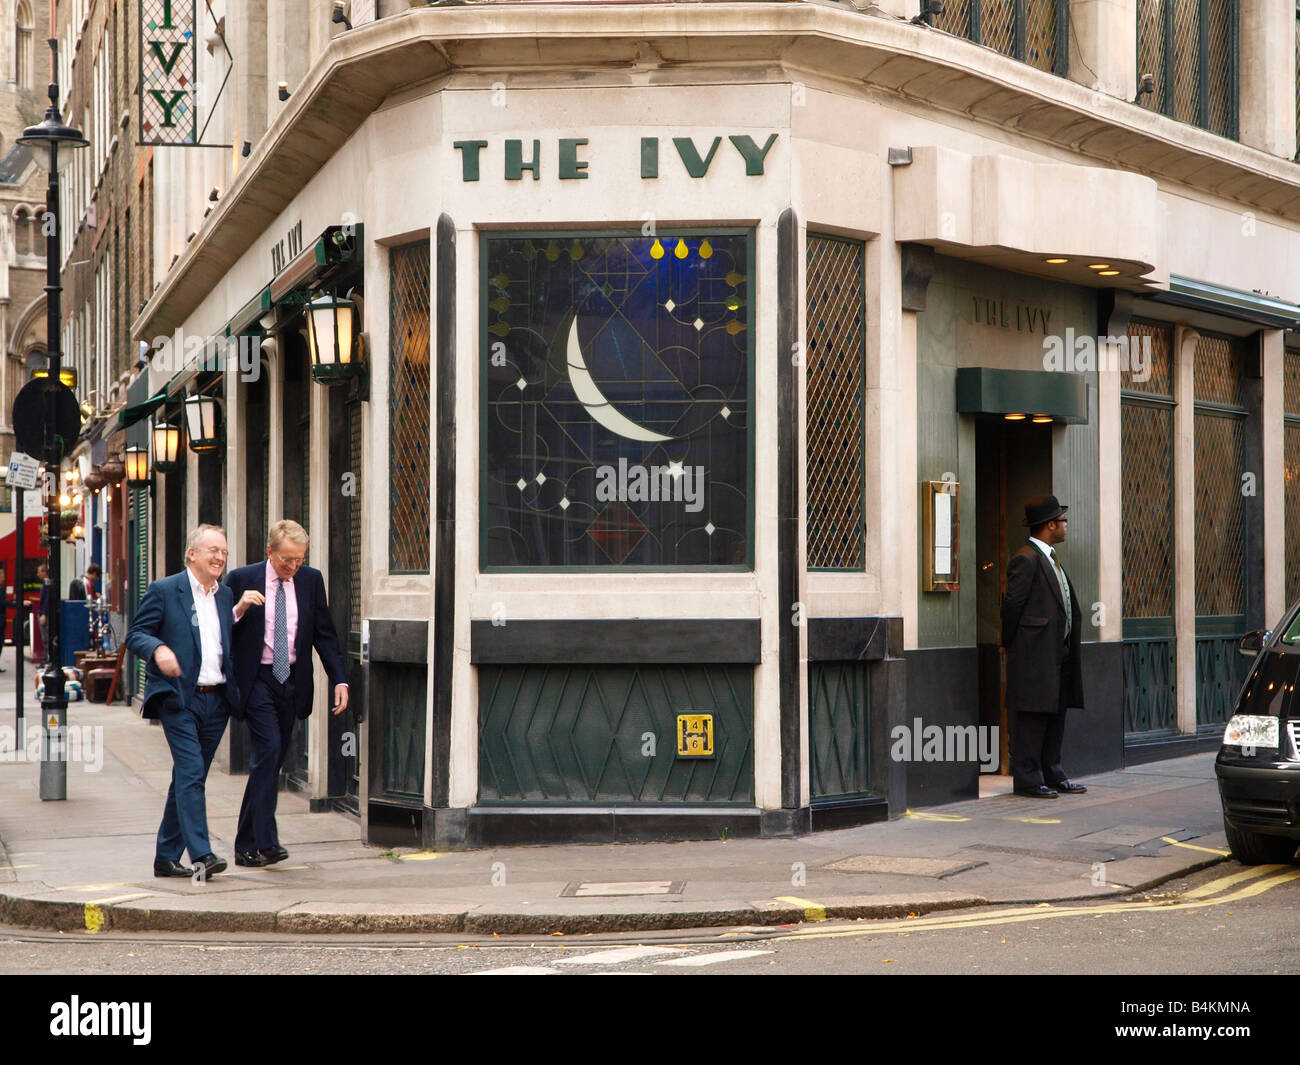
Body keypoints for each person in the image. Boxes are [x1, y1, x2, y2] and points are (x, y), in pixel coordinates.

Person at [225, 519, 348, 867]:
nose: (292, 567)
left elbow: (325, 634)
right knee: (269, 749)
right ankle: (263, 841)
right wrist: (239, 609)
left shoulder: (311, 581)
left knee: (272, 761)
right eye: (285, 560)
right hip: (257, 679)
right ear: (269, 552)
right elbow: (219, 627)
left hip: (292, 680)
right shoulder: (241, 579)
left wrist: (340, 679)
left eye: (299, 559)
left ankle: (250, 842)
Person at [125, 525, 240, 879]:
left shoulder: (225, 595)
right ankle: (202, 855)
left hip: (216, 700)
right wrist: (158, 649)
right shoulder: (165, 590)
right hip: (179, 699)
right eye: (212, 551)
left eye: (223, 551)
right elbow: (136, 634)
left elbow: (221, 644)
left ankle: (165, 856)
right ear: (192, 554)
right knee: (191, 774)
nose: (219, 557)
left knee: (189, 778)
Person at [1000, 495, 1087, 799]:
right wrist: (1012, 645)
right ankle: (1028, 779)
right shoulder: (1025, 558)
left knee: (1055, 715)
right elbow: (1012, 606)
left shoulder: (1051, 558)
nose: (1066, 526)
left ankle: (1052, 771)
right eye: (1063, 521)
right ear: (1050, 525)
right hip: (1034, 655)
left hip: (1058, 653)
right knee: (1032, 718)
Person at [36, 561, 50, 664]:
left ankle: (47, 660)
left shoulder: (47, 584)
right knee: (44, 638)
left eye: (39, 572)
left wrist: (44, 613)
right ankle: (45, 659)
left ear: (45, 572)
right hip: (42, 613)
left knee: (46, 639)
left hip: (44, 614)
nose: (38, 574)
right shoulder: (45, 583)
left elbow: (47, 599)